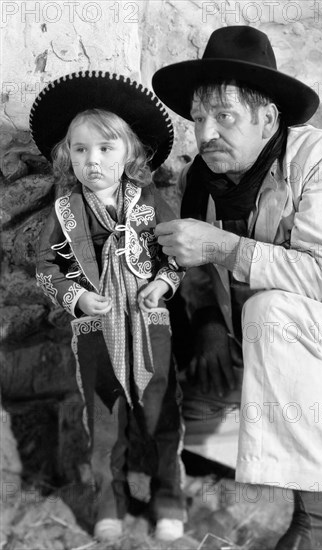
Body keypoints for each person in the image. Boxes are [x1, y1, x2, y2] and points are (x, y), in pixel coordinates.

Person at [152, 26, 322, 549]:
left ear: (268, 117)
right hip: (277, 351)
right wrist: (209, 322)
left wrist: (222, 248)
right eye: (198, 118)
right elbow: (194, 267)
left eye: (225, 116)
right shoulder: (200, 180)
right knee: (185, 417)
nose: (207, 132)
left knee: (273, 311)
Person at [31, 71, 186, 543]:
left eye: (105, 149)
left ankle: (167, 499)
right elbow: (44, 268)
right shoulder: (65, 213)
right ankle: (108, 501)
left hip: (149, 325)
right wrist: (77, 297)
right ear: (67, 156)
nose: (92, 160)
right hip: (95, 331)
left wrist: (161, 284)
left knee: (161, 415)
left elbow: (177, 253)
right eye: (80, 150)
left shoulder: (149, 202)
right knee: (104, 421)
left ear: (132, 153)